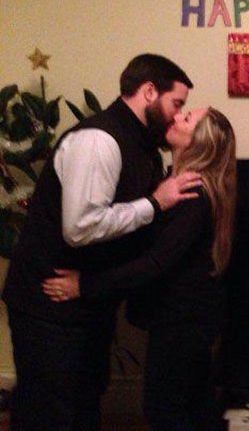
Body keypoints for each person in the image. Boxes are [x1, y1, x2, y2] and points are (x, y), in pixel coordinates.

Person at [2, 53, 201, 431]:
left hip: (86, 303)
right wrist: (155, 203)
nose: (177, 115)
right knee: (49, 412)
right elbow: (80, 228)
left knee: (84, 402)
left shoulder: (143, 145)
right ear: (149, 91)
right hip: (49, 305)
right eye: (176, 104)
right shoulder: (99, 140)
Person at [42, 107, 236, 431]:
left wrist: (85, 285)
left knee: (164, 408)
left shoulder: (191, 195)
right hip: (189, 317)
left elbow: (155, 262)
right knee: (195, 403)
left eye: (187, 118)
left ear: (199, 142)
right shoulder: (175, 183)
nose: (176, 117)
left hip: (184, 319)